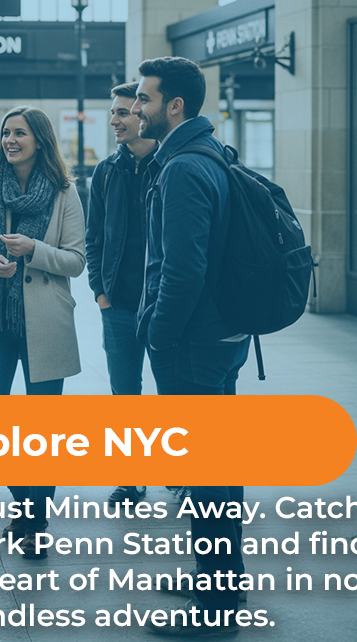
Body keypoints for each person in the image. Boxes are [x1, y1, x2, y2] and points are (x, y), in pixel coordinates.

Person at [130, 56, 249, 635]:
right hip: (221, 335)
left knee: (205, 472)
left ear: (173, 105)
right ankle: (217, 578)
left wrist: (157, 335)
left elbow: (182, 269)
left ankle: (216, 611)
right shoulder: (212, 154)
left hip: (193, 343)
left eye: (145, 99)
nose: (136, 108)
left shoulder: (181, 168)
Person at [0, 106, 85, 559]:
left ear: (40, 141)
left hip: (44, 319)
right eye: (6, 133)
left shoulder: (64, 193)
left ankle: (34, 519)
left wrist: (35, 249)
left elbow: (75, 259)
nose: (11, 140)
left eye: (20, 133)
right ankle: (26, 502)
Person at [86, 81, 158, 506]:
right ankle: (131, 477)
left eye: (123, 112)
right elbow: (94, 238)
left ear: (144, 116)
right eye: (113, 112)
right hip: (118, 306)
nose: (114, 119)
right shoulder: (107, 171)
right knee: (124, 395)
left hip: (164, 304)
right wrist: (101, 293)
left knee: (173, 397)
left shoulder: (171, 167)